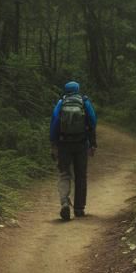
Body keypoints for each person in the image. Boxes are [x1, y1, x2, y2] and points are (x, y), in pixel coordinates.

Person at [49, 80, 97, 220]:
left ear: (66, 90)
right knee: (81, 176)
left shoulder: (61, 103)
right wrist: (92, 144)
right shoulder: (84, 102)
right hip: (81, 144)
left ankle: (64, 203)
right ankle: (79, 208)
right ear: (77, 89)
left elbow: (54, 123)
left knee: (64, 174)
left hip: (64, 144)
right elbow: (93, 122)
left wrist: (54, 144)